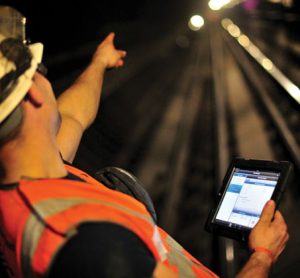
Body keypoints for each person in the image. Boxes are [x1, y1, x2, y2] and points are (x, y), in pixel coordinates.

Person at [0, 15, 289, 278]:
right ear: (34, 94)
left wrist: (100, 63)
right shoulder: (85, 245)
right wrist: (263, 255)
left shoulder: (35, 176)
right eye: (40, 70)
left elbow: (74, 115)